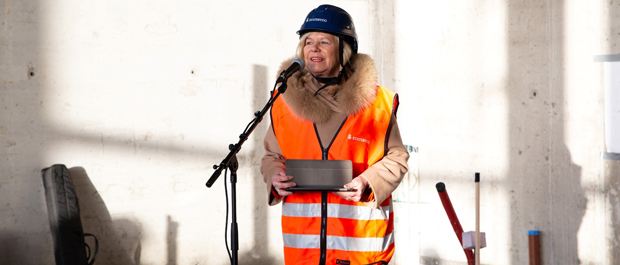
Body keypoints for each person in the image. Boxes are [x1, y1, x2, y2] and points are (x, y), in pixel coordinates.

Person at [261, 4, 409, 265]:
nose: (313, 48)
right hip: (303, 251)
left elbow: (397, 156)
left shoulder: (378, 103)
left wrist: (369, 182)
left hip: (362, 249)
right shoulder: (283, 101)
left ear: (344, 50)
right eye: (308, 41)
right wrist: (274, 176)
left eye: (324, 41)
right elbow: (272, 155)